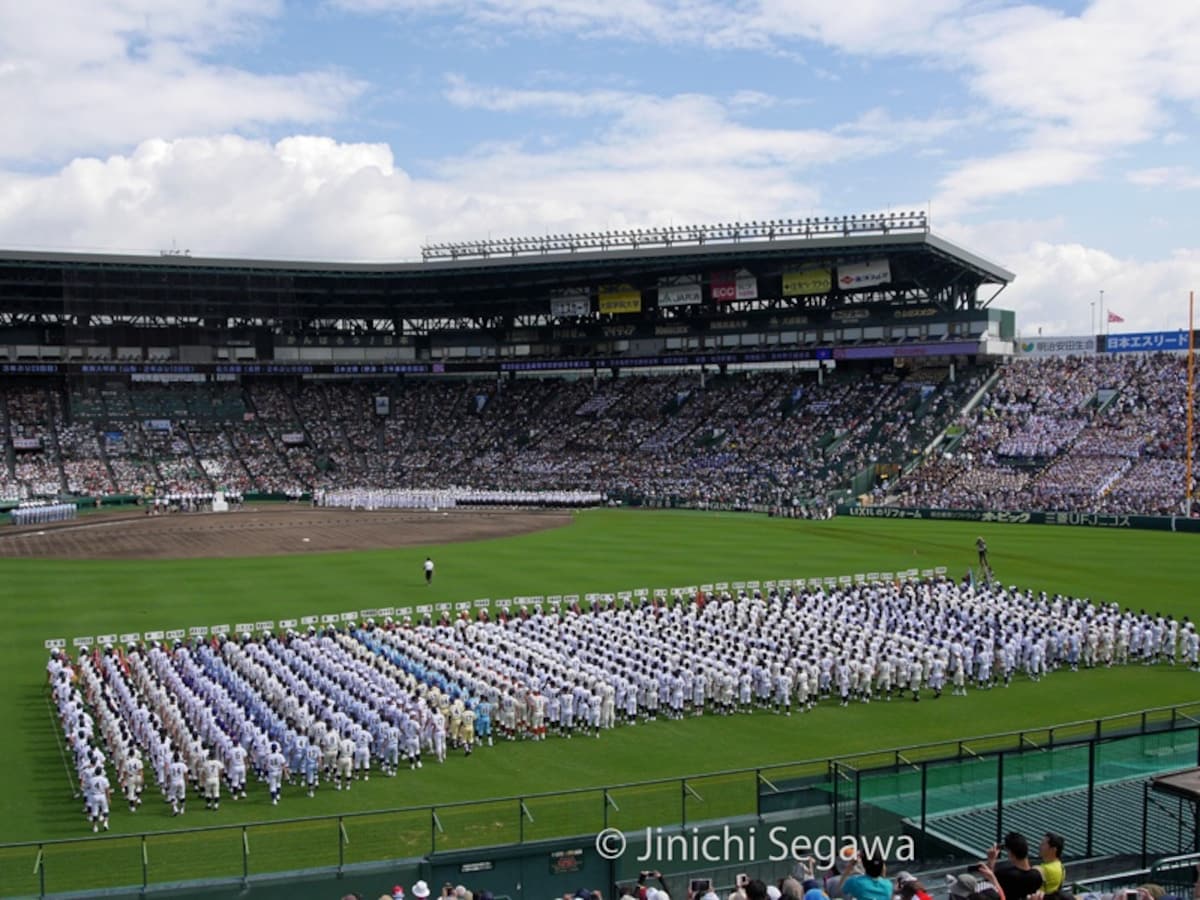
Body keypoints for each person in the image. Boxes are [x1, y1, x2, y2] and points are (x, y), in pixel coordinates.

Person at [992, 833, 1044, 900]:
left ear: (1011, 854)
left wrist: (991, 860)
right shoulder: (1037, 875)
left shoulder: (1004, 874)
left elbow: (990, 879)